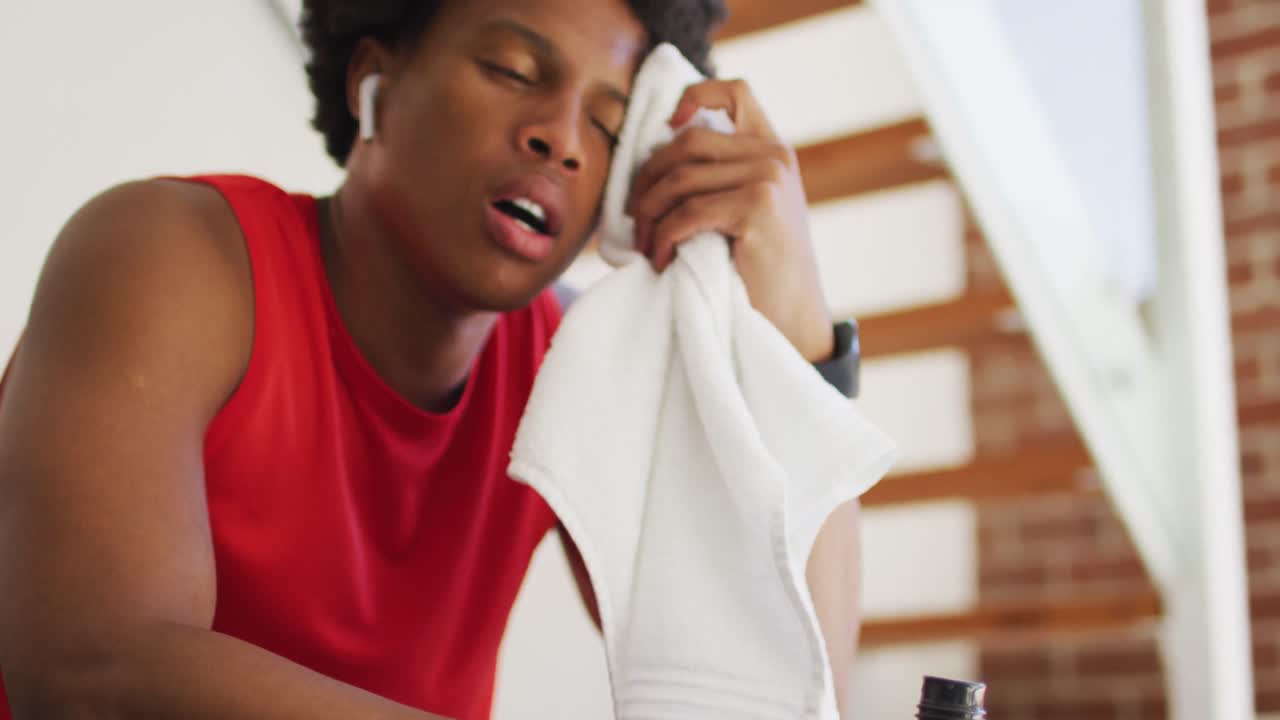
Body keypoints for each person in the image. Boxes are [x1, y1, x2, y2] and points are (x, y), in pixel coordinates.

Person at [0, 0, 863, 717]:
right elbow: (91, 671)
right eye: (512, 71)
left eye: (609, 123)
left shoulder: (570, 371)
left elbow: (790, 684)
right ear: (371, 81)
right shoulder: (169, 253)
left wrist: (798, 322)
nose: (561, 139)